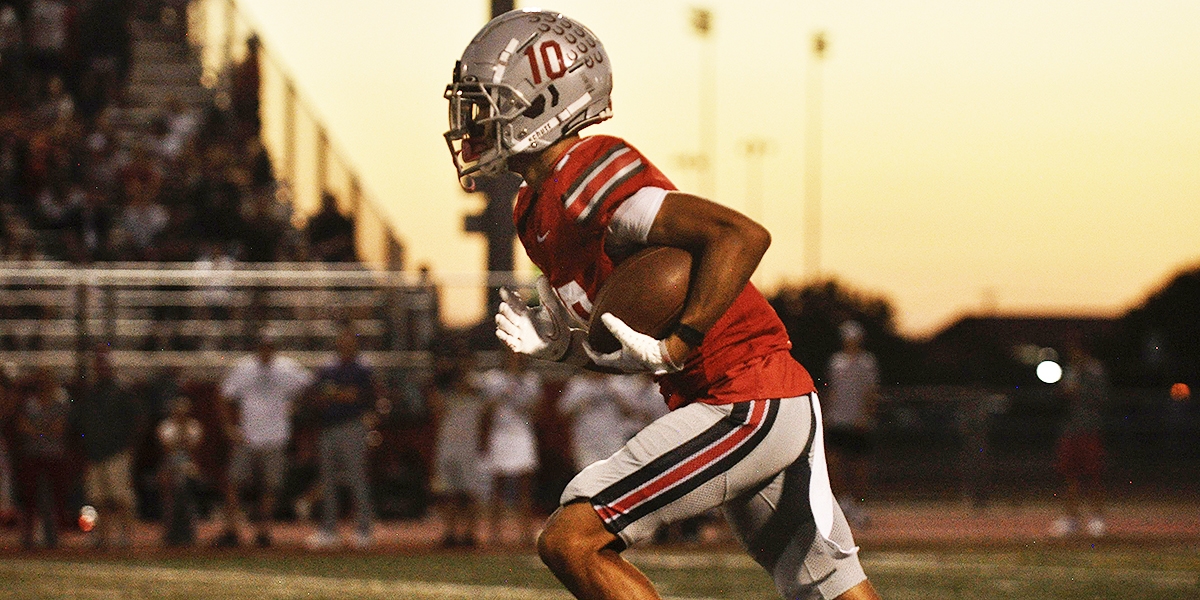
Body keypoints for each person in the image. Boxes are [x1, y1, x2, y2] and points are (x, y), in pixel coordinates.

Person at [447, 10, 879, 600]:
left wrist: (681, 344)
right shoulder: (533, 210)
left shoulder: (589, 173)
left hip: (744, 396)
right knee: (828, 587)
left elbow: (740, 236)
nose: (475, 120)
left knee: (570, 538)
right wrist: (567, 350)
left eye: (490, 101)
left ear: (545, 100)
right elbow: (626, 347)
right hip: (748, 398)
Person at [213, 329, 313, 548]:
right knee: (234, 482)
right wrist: (229, 427)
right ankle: (232, 529)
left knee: (270, 485)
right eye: (263, 346)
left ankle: (263, 531)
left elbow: (309, 387)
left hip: (274, 435)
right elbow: (224, 395)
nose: (266, 350)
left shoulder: (286, 368)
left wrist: (295, 407)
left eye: (269, 346)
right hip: (248, 435)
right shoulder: (245, 368)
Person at [303, 322, 378, 550]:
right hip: (329, 427)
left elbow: (360, 396)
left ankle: (364, 529)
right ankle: (329, 530)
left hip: (352, 427)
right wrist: (340, 394)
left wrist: (336, 394)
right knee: (327, 480)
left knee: (356, 478)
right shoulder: (328, 368)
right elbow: (317, 395)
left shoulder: (362, 369)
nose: (345, 344)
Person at [69, 344, 145, 549]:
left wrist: (128, 447)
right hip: (95, 452)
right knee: (98, 498)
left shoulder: (121, 391)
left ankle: (126, 535)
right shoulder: (90, 392)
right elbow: (79, 422)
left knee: (120, 498)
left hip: (116, 451)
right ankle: (102, 536)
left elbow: (135, 422)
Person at [475, 351, 541, 547]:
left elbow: (536, 410)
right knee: (498, 488)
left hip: (522, 434)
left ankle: (526, 534)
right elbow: (485, 409)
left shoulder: (531, 381)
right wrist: (503, 392)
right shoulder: (494, 379)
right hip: (500, 434)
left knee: (524, 488)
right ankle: (494, 534)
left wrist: (520, 393)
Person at [427, 342, 488, 548]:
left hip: (468, 444)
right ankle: (450, 532)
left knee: (470, 491)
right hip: (448, 443)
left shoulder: (479, 384)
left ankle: (470, 532)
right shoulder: (444, 385)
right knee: (448, 492)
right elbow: (435, 406)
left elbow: (481, 404)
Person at [822, 321, 880, 529]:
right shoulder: (836, 362)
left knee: (859, 466)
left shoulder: (867, 362)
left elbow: (870, 392)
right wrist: (828, 414)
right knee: (836, 462)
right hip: (838, 419)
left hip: (858, 420)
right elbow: (832, 390)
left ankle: (858, 505)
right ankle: (844, 502)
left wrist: (865, 416)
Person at [1050, 340, 1109, 538]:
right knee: (1069, 475)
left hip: (1090, 429)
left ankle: (1097, 519)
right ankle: (1071, 519)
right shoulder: (1069, 371)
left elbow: (1100, 397)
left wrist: (1080, 386)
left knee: (1094, 476)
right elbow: (1061, 396)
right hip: (1071, 429)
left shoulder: (1095, 370)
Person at [14, 367, 72, 549]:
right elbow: (23, 427)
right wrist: (44, 431)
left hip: (53, 456)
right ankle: (28, 535)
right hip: (33, 455)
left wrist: (37, 431)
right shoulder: (29, 403)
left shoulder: (60, 402)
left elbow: (59, 428)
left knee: (54, 498)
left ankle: (52, 536)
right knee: (29, 497)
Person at [156, 395, 204, 547]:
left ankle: (189, 534)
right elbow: (168, 448)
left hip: (188, 466)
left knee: (186, 493)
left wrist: (182, 431)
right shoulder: (165, 426)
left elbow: (192, 449)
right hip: (170, 465)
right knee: (171, 499)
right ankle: (170, 534)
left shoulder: (194, 426)